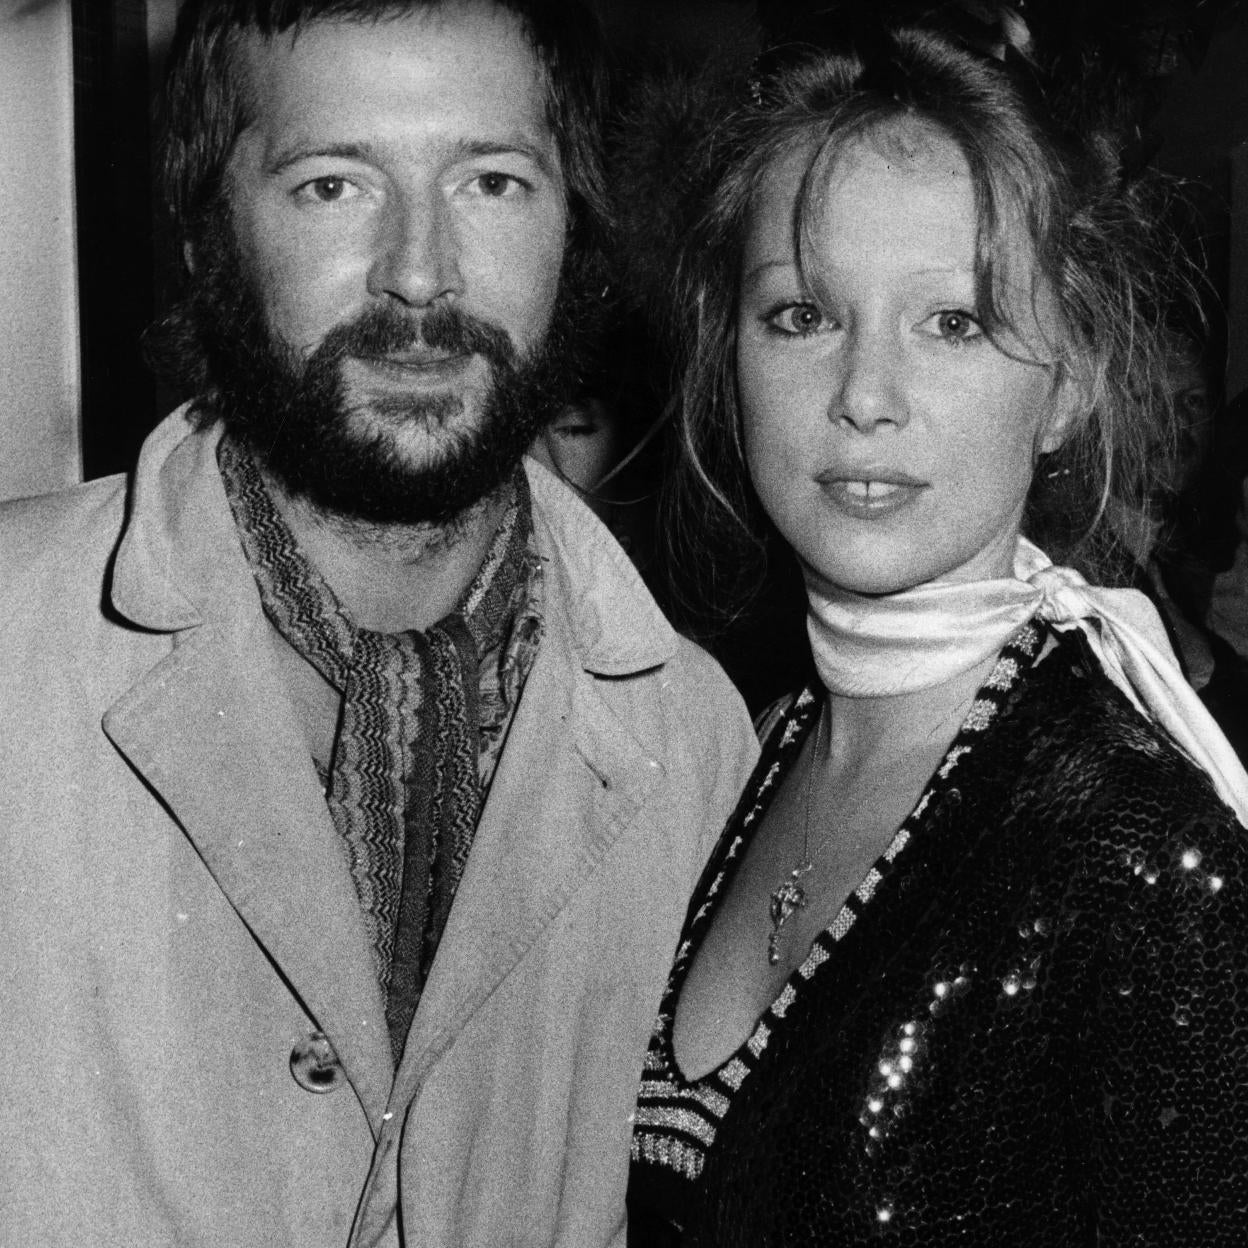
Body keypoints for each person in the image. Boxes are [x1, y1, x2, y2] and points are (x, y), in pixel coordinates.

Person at [0, 2, 757, 1245]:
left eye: (492, 182)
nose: (419, 272)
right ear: (206, 237)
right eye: (333, 186)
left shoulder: (699, 741)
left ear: (576, 229)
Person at [627, 17, 1248, 1246]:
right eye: (801, 314)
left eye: (953, 322)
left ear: (1068, 385)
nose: (864, 395)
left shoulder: (1139, 858)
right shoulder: (744, 749)